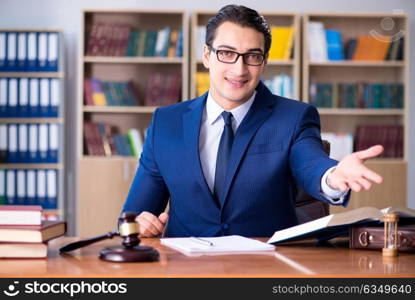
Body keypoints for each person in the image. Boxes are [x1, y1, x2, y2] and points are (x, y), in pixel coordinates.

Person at [122, 5, 383, 238]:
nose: (239, 69)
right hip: (185, 269)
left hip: (267, 268)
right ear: (206, 55)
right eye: (227, 53)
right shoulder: (166, 122)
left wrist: (333, 176)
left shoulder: (294, 118)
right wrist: (141, 223)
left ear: (265, 62)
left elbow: (310, 163)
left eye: (253, 56)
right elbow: (132, 215)